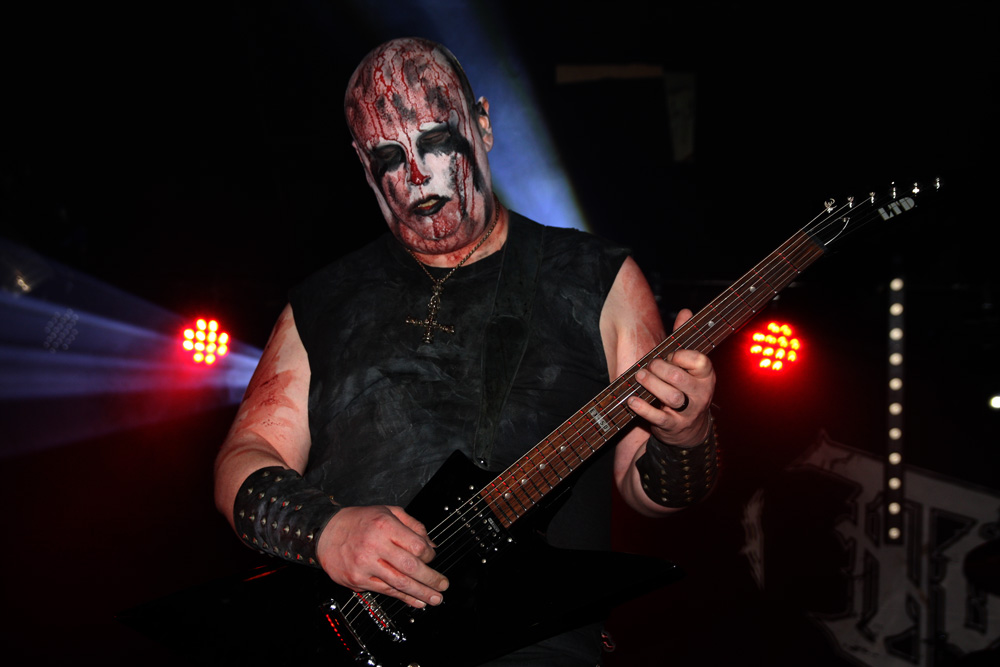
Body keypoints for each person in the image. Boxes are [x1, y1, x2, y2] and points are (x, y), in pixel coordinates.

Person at [214, 37, 718, 666]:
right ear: (362, 163)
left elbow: (653, 494)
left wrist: (687, 434)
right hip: (354, 646)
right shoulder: (321, 303)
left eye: (436, 141)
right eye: (390, 156)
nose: (416, 175)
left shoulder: (597, 278)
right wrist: (326, 531)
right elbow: (242, 460)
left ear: (482, 124)